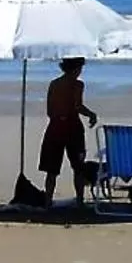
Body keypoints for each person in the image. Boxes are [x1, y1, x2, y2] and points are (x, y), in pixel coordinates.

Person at [38, 57, 100, 204]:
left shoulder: (54, 84)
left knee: (52, 170)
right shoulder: (77, 85)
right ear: (77, 68)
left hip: (54, 129)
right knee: (78, 167)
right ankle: (79, 200)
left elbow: (50, 111)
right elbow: (78, 106)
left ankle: (48, 201)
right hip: (73, 129)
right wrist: (91, 114)